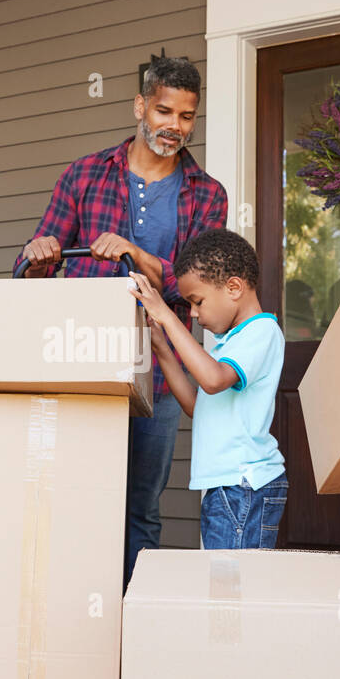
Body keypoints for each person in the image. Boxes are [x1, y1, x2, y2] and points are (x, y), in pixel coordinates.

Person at [14, 55, 228, 586]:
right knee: (75, 499)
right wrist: (38, 257)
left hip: (159, 371)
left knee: (140, 508)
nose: (174, 126)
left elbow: (193, 289)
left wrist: (138, 255)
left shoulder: (207, 194)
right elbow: (29, 273)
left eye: (186, 116)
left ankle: (129, 629)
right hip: (79, 361)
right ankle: (76, 622)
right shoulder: (84, 175)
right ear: (139, 106)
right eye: (163, 111)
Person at [128, 229, 286, 549]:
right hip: (227, 487)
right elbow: (195, 404)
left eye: (197, 302)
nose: (195, 315)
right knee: (224, 585)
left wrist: (166, 317)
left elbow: (212, 381)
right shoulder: (227, 344)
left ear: (233, 287)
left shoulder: (262, 331)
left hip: (244, 486)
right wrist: (161, 347)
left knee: (232, 589)